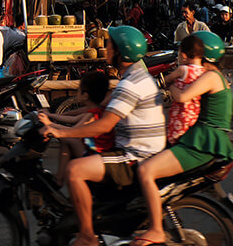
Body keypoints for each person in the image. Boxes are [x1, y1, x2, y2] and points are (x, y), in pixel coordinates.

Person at [38, 26, 165, 246]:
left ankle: (86, 236)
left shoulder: (130, 84)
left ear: (120, 52)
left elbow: (103, 126)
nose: (105, 48)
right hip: (137, 149)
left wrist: (60, 131)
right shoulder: (135, 77)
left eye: (109, 45)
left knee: (75, 170)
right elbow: (98, 107)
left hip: (134, 155)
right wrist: (54, 117)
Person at [135, 31, 233, 246]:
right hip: (207, 139)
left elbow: (182, 97)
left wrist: (169, 84)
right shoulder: (220, 78)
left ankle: (156, 230)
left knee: (146, 171)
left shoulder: (210, 77)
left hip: (202, 143)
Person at [41, 70, 113, 185]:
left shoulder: (92, 115)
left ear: (85, 96)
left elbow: (72, 131)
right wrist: (50, 116)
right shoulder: (95, 111)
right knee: (68, 141)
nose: (76, 93)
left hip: (96, 154)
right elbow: (73, 119)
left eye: (78, 91)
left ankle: (59, 178)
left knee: (69, 140)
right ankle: (60, 177)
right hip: (93, 151)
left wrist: (49, 124)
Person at [165, 34, 206, 145]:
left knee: (173, 142)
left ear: (183, 55)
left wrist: (170, 85)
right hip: (193, 115)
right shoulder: (204, 72)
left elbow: (167, 79)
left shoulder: (183, 70)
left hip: (180, 114)